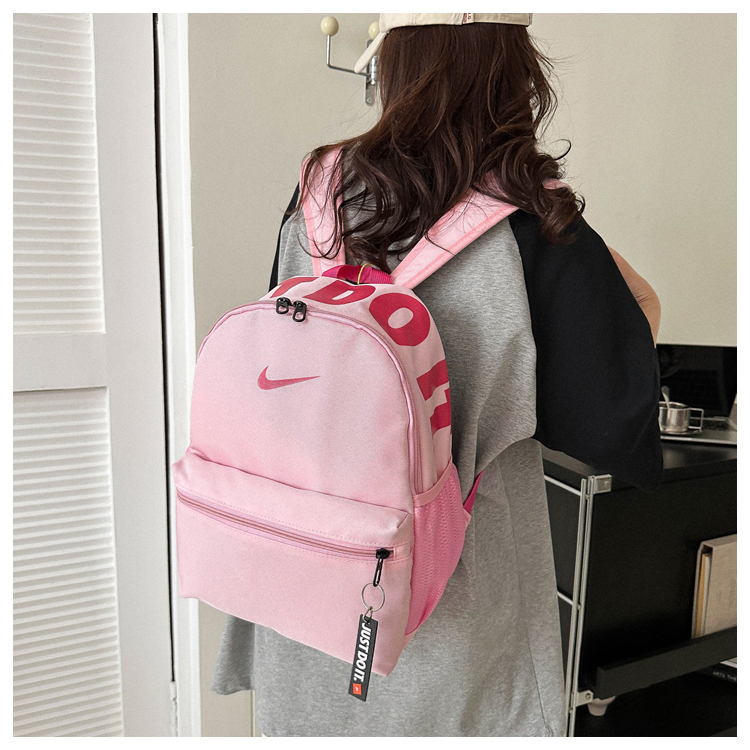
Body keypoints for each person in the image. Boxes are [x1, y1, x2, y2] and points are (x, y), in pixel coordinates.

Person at [211, 13, 663, 737]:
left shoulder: (316, 195)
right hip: (455, 641)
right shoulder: (536, 227)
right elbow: (607, 421)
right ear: (514, 71)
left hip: (304, 599)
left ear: (392, 64)